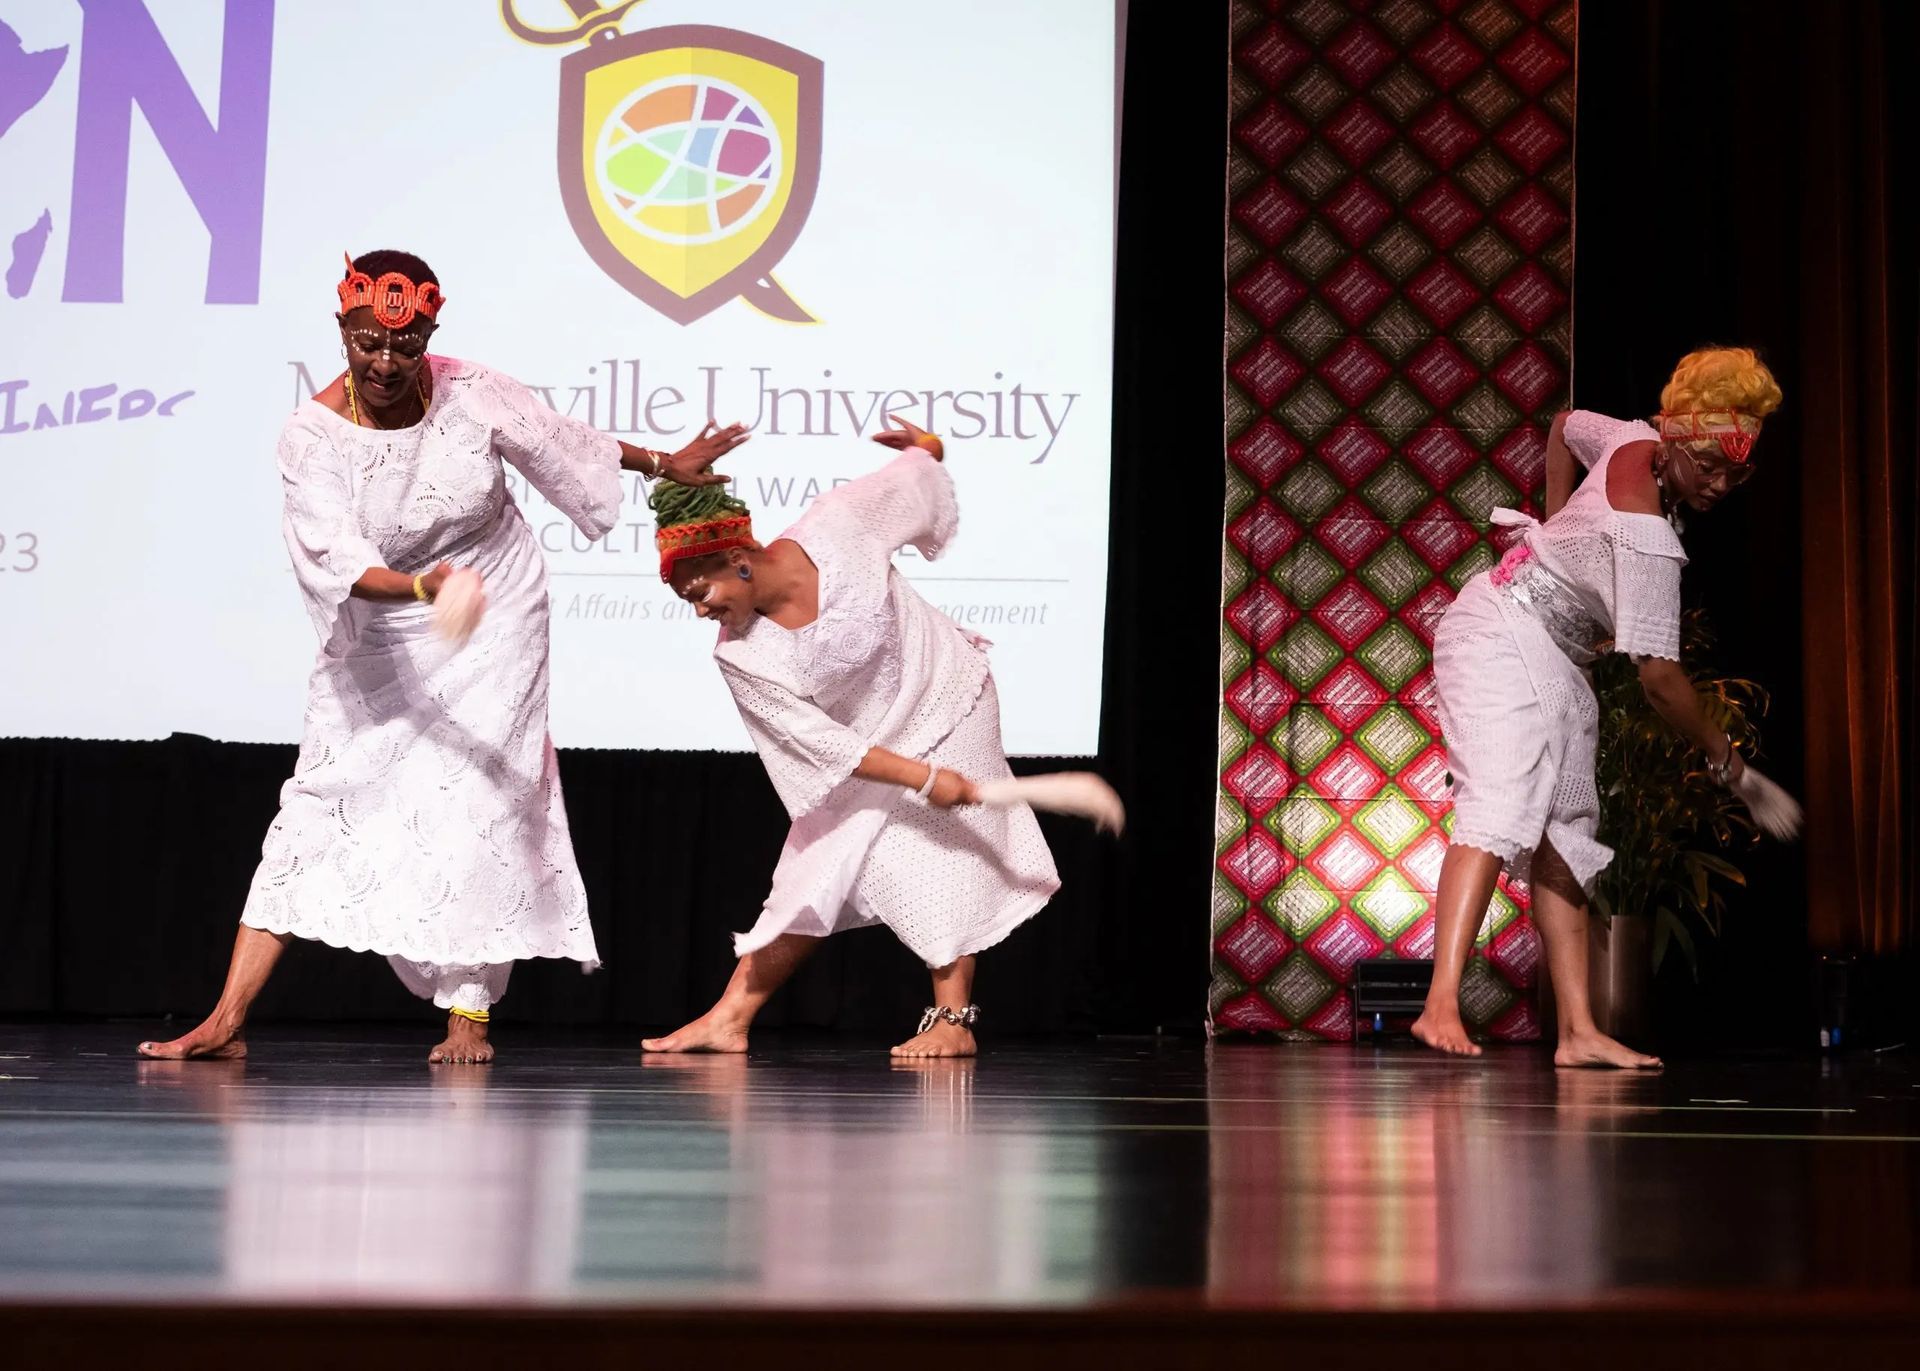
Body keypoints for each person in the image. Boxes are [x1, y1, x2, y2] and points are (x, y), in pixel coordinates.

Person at [137, 249, 746, 1065]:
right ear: (343, 329)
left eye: (406, 344)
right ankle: (225, 1016)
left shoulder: (469, 389)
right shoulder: (312, 438)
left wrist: (661, 464)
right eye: (368, 344)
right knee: (319, 799)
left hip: (498, 605)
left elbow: (561, 440)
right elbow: (341, 563)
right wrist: (422, 588)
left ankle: (469, 1014)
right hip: (388, 620)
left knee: (479, 796)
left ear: (428, 332)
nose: (387, 362)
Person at [1413, 347, 1802, 1068]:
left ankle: (1578, 1031)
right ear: (1677, 439)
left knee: (1565, 829)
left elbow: (1563, 426)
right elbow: (1659, 680)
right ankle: (1439, 1003)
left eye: (1734, 472)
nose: (1717, 485)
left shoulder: (1629, 437)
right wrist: (1730, 764)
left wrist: (1556, 520)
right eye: (1707, 465)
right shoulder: (1647, 539)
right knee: (1498, 807)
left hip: (1556, 654)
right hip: (1498, 632)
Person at [640, 419, 1060, 1058]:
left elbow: (914, 480)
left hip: (948, 692)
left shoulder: (838, 525)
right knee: (819, 865)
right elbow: (826, 749)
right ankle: (729, 1018)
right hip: (869, 743)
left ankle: (954, 1023)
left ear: (738, 559)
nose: (700, 610)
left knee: (925, 848)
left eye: (702, 591)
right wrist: (921, 777)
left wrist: (928, 450)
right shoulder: (742, 656)